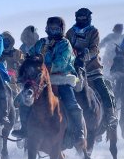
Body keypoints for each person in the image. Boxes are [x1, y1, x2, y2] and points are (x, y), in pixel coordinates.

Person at [12, 17, 87, 148]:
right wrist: (25, 60)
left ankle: (79, 133)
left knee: (72, 104)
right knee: (24, 99)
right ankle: (25, 129)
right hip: (41, 80)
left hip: (61, 78)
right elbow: (31, 55)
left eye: (56, 28)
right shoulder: (41, 42)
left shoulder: (65, 44)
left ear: (61, 29)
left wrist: (43, 67)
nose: (53, 31)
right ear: (47, 28)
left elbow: (61, 62)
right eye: (51, 28)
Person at [66, 8, 118, 131]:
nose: (82, 20)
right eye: (80, 18)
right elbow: (66, 46)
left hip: (92, 68)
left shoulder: (93, 32)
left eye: (84, 18)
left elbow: (95, 48)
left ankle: (110, 115)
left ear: (88, 18)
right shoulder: (70, 32)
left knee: (103, 88)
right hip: (74, 69)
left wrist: (86, 54)